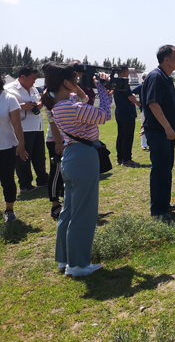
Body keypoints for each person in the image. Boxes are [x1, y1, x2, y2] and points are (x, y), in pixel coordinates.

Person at [43, 63, 112, 277]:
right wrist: (100, 87)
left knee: (70, 211)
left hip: (71, 157)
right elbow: (105, 115)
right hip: (84, 157)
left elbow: (83, 100)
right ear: (65, 82)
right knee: (84, 212)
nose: (78, 83)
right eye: (75, 79)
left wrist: (81, 84)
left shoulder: (60, 105)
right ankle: (79, 264)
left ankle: (64, 259)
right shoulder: (72, 107)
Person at [142, 45, 175, 221]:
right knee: (159, 170)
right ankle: (158, 211)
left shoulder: (166, 77)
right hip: (159, 132)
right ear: (166, 59)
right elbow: (153, 104)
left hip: (166, 132)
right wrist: (167, 127)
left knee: (166, 168)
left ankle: (164, 203)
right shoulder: (156, 77)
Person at [5, 66, 48, 192]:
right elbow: (4, 107)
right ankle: (25, 184)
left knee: (39, 156)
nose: (35, 81)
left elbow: (36, 102)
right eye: (33, 78)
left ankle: (42, 179)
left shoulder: (33, 88)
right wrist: (22, 106)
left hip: (37, 126)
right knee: (23, 157)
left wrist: (39, 104)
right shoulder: (9, 89)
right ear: (23, 77)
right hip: (22, 128)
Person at [0, 74, 28, 223]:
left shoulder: (9, 98)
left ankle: (9, 210)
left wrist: (21, 144)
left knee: (7, 180)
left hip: (7, 146)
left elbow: (17, 124)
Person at [113, 66, 140, 167]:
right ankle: (127, 159)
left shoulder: (115, 83)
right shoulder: (123, 83)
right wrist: (137, 102)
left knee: (121, 136)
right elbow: (131, 98)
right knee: (128, 137)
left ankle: (119, 159)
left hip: (119, 113)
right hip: (127, 114)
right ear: (124, 72)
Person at [132, 73, 148, 151]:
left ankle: (150, 142)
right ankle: (144, 144)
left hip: (153, 109)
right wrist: (136, 102)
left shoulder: (152, 86)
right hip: (144, 109)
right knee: (144, 125)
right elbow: (131, 93)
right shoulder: (141, 87)